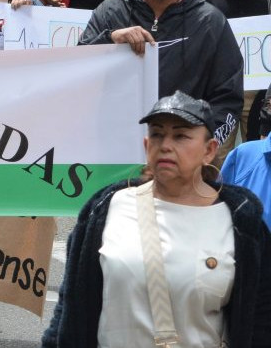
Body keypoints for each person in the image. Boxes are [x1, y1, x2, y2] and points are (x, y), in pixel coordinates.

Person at [44, 91, 271, 348]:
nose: (165, 145)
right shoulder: (106, 209)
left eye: (181, 136)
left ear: (209, 150)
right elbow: (69, 310)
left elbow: (260, 322)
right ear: (145, 145)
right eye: (157, 134)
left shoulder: (241, 222)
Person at [80, 0, 243, 145]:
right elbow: (77, 76)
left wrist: (199, 143)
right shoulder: (110, 12)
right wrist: (109, 40)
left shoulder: (210, 22)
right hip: (114, 150)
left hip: (183, 156)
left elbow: (228, 98)